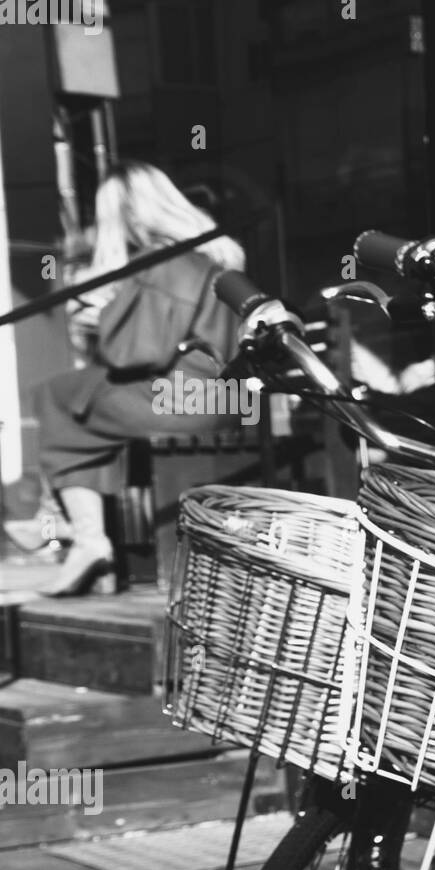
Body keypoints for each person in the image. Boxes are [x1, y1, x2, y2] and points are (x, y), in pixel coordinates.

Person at [37, 161, 247, 596]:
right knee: (81, 405)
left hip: (185, 399)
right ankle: (95, 552)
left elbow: (135, 351)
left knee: (58, 398)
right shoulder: (212, 256)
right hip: (225, 398)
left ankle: (91, 542)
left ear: (130, 213)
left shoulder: (162, 262)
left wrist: (101, 317)